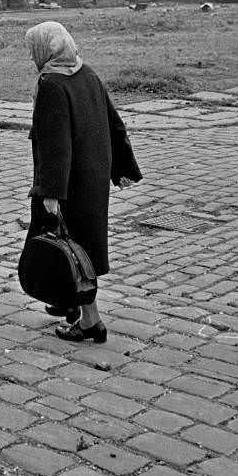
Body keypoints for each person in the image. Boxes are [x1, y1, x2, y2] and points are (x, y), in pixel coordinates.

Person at [25, 21, 141, 343]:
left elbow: (55, 144)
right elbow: (113, 122)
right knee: (78, 246)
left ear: (46, 49)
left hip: (66, 185)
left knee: (73, 250)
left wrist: (50, 192)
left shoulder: (50, 84)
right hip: (92, 179)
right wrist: (122, 167)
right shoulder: (86, 72)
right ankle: (66, 301)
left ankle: (91, 321)